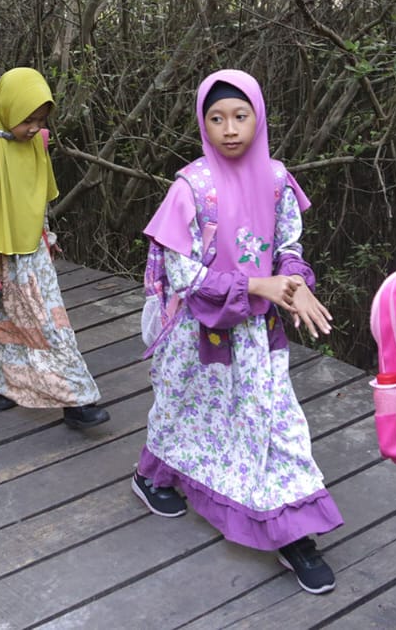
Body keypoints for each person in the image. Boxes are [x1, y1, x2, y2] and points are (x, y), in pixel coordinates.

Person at [133, 69, 344, 595]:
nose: (229, 128)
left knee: (275, 422)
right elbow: (183, 274)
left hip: (257, 333)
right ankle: (151, 476)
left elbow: (289, 246)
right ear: (203, 123)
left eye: (240, 116)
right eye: (216, 118)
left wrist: (293, 283)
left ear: (259, 117)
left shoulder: (276, 179)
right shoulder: (191, 187)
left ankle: (295, 533)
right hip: (198, 332)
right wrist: (262, 285)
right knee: (186, 411)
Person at [0, 67, 109, 430]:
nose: (34, 127)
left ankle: (77, 398)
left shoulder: (38, 143)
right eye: (27, 119)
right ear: (7, 109)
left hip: (29, 256)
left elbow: (39, 196)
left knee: (51, 325)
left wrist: (45, 234)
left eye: (40, 119)